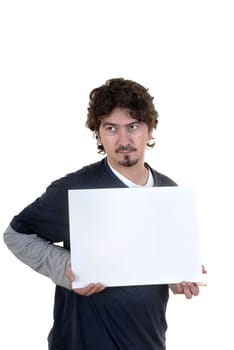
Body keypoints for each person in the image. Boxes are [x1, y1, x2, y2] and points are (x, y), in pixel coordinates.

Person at [4, 78, 205, 350]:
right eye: (111, 128)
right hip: (80, 342)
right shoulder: (74, 188)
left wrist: (179, 276)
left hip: (146, 340)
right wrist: (65, 268)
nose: (124, 140)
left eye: (133, 126)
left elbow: (152, 257)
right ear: (98, 134)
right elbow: (16, 235)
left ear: (150, 130)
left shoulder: (168, 192)